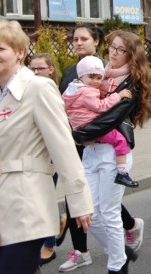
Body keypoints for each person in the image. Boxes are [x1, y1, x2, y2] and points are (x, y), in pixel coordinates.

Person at [0, 20, 93, 273]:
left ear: (19, 52)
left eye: (0, 48)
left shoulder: (39, 89)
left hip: (26, 202)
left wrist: (79, 201)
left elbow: (63, 148)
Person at [58, 25, 144, 272]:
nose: (114, 53)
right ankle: (120, 252)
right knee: (85, 211)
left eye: (121, 49)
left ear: (131, 54)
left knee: (108, 212)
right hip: (90, 151)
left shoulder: (131, 82)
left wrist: (78, 133)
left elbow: (110, 118)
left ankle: (117, 266)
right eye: (112, 47)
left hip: (114, 151)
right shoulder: (98, 73)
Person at [63, 56, 137, 187]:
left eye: (99, 78)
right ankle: (122, 172)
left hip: (80, 128)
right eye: (91, 77)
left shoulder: (72, 90)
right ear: (81, 77)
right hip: (92, 125)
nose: (95, 82)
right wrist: (118, 95)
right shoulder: (87, 92)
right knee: (120, 140)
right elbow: (101, 107)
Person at [29, 53, 68, 266]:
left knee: (43, 199)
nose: (35, 73)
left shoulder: (54, 94)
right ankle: (56, 224)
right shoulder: (28, 92)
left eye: (40, 69)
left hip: (49, 156)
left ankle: (49, 244)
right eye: (32, 69)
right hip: (31, 155)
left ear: (51, 69)